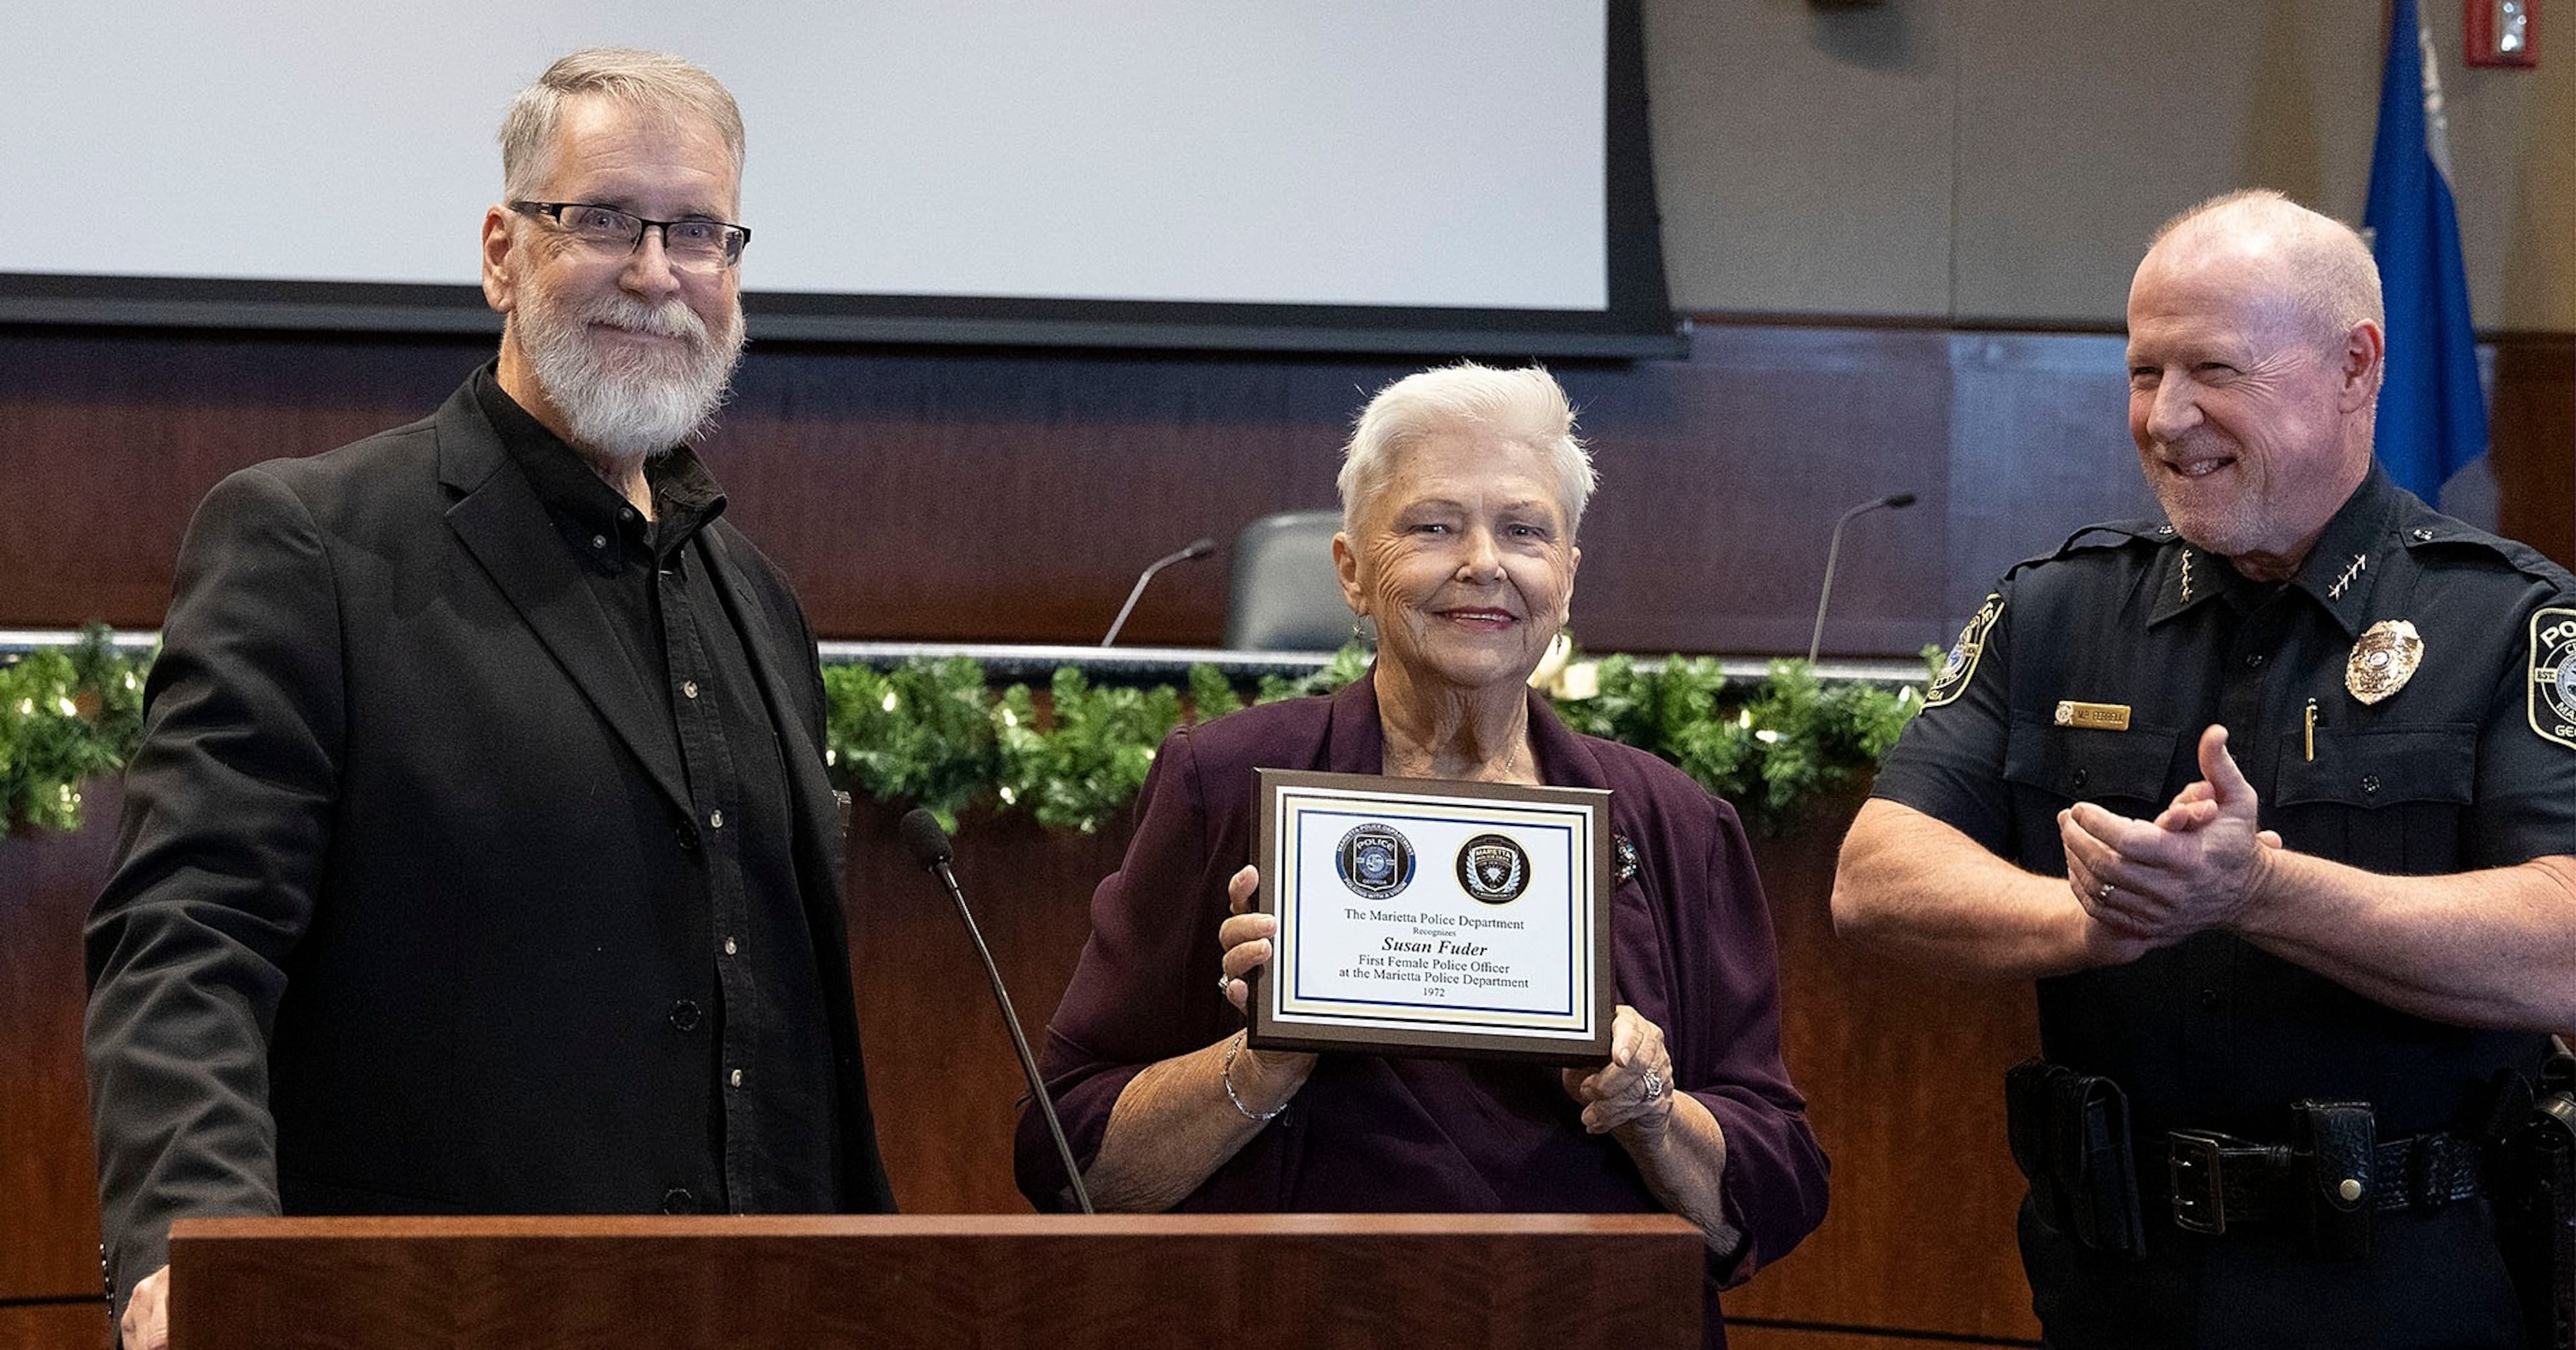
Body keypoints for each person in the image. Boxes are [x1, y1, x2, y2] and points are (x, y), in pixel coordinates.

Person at [85, 49, 894, 1349]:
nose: (654, 271)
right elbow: (190, 940)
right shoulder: (311, 544)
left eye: (697, 230)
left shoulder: (759, 601)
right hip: (428, 1315)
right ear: (502, 251)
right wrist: (198, 1250)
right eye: (604, 220)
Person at [1833, 189, 2576, 1348]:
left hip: (2410, 1289)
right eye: (2143, 372)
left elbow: (2566, 947)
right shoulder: (2055, 611)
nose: (2167, 418)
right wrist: (2098, 916)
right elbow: (1877, 878)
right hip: (2114, 1288)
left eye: (2215, 371)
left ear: (2357, 365)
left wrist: (2258, 892)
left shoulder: (2510, 623)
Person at [1014, 362, 1829, 1347]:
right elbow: (1071, 1159)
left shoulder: (1670, 821)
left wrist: (1655, 1114)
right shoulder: (1224, 782)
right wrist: (1264, 1062)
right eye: (1433, 526)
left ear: (1567, 573)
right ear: (1352, 568)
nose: (1484, 563)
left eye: (1525, 530)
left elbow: (1775, 1187)